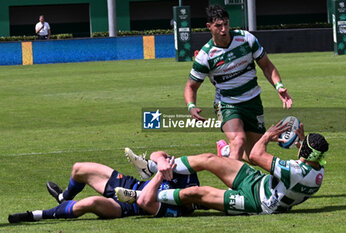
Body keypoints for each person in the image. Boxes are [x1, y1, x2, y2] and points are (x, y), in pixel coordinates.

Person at [119, 121, 329, 215]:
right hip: (258, 182)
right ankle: (151, 167)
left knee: (196, 193)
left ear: (306, 154)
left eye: (302, 146)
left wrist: (267, 136)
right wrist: (301, 141)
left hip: (256, 202)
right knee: (210, 159)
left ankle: (142, 194)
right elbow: (307, 159)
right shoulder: (317, 170)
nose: (299, 146)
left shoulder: (295, 173)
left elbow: (255, 155)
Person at [184, 5, 293, 161]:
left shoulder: (246, 39)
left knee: (255, 157)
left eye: (226, 24)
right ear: (209, 27)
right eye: (218, 26)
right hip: (228, 103)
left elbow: (267, 65)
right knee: (238, 141)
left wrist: (279, 86)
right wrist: (191, 106)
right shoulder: (205, 56)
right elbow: (191, 87)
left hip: (253, 100)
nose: (223, 29)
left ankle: (226, 151)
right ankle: (233, 186)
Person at [8, 152, 200, 223]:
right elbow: (159, 153)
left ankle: (35, 215)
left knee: (89, 203)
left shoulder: (177, 209)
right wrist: (160, 161)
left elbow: (144, 202)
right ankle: (63, 198)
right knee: (79, 169)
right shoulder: (189, 175)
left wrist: (158, 175)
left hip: (127, 206)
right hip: (129, 183)